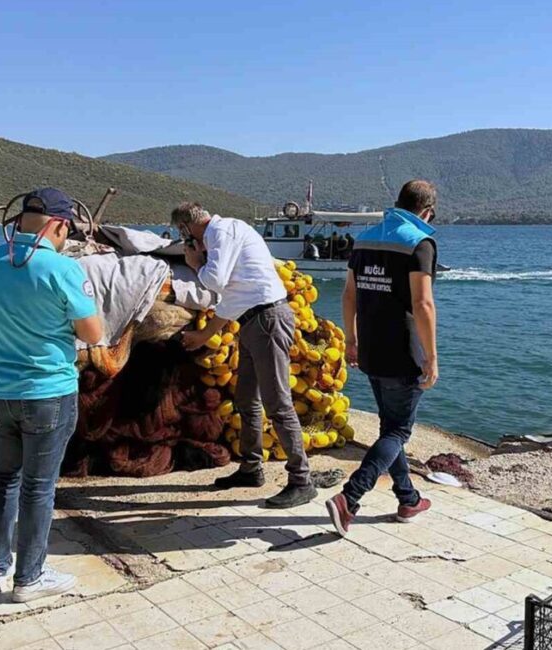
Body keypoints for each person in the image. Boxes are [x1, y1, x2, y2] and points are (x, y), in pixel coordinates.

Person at [0, 188, 104, 601]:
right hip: (47, 394)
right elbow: (92, 334)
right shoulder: (62, 269)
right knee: (38, 487)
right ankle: (30, 578)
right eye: (68, 232)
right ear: (59, 226)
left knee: (2, 480)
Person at [172, 202, 316, 508]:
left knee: (278, 403)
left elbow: (215, 281)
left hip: (267, 320)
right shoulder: (226, 231)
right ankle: (251, 468)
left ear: (186, 228)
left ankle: (301, 481)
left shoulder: (221, 233)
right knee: (247, 400)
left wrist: (196, 262)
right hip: (252, 322)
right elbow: (233, 299)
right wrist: (205, 334)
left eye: (181, 232)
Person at [325, 180, 439, 537]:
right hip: (405, 351)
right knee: (399, 430)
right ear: (427, 212)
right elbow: (422, 304)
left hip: (372, 348)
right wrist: (432, 357)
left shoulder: (365, 238)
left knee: (390, 429)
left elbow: (349, 294)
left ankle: (408, 498)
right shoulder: (419, 242)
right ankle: (350, 498)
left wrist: (351, 339)